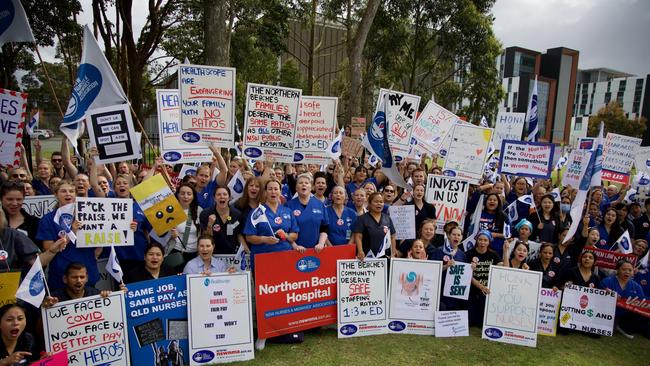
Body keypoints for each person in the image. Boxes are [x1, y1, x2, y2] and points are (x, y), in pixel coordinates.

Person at [600, 259, 649, 339]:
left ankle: (624, 327)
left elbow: (642, 304)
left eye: (630, 270)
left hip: (626, 315)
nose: (627, 272)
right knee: (608, 331)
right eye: (624, 269)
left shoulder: (637, 286)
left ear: (633, 272)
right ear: (618, 270)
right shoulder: (607, 282)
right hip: (608, 312)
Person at [466, 230, 501, 326]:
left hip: (487, 291)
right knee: (470, 322)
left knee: (481, 323)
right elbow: (467, 275)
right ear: (476, 240)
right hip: (472, 290)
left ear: (489, 242)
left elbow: (503, 268)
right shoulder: (469, 253)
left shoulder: (494, 255)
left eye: (485, 240)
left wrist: (506, 251)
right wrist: (481, 286)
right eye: (480, 239)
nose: (482, 242)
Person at [286, 174, 329, 252]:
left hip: (316, 250)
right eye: (300, 183)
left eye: (306, 183)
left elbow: (324, 227)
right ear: (296, 188)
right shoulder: (288, 205)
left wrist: (321, 243)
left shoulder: (320, 205)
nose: (303, 184)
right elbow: (285, 230)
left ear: (311, 187)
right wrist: (295, 246)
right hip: (293, 250)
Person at [430, 226, 467, 310]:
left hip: (454, 295)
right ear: (449, 236)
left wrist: (472, 268)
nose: (456, 237)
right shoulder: (439, 251)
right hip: (440, 293)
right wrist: (446, 266)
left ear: (462, 237)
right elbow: (432, 270)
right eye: (454, 234)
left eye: (459, 235)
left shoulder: (462, 255)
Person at [42, 262, 113, 305]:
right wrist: (46, 309)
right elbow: (40, 329)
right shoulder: (53, 299)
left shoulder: (96, 294)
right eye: (74, 277)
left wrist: (109, 297)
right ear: (65, 279)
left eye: (82, 277)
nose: (78, 280)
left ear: (87, 278)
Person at [201, 186, 245, 255]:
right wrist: (209, 225)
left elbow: (239, 235)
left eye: (225, 194)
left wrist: (247, 252)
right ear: (214, 198)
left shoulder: (237, 214)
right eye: (218, 194)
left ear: (229, 198)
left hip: (232, 254)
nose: (222, 197)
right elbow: (206, 239)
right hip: (213, 254)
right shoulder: (206, 213)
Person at [352, 192, 396, 260]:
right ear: (369, 203)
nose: (379, 204)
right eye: (376, 201)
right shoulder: (362, 218)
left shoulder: (387, 218)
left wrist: (393, 252)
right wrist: (360, 251)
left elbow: (392, 236)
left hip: (384, 257)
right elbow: (358, 236)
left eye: (381, 202)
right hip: (366, 256)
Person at [166, 183, 201, 266]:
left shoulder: (199, 211)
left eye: (189, 194)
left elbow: (201, 233)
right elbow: (160, 234)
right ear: (177, 195)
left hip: (194, 253)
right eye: (182, 193)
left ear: (193, 196)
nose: (185, 196)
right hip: (175, 251)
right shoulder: (170, 210)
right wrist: (170, 235)